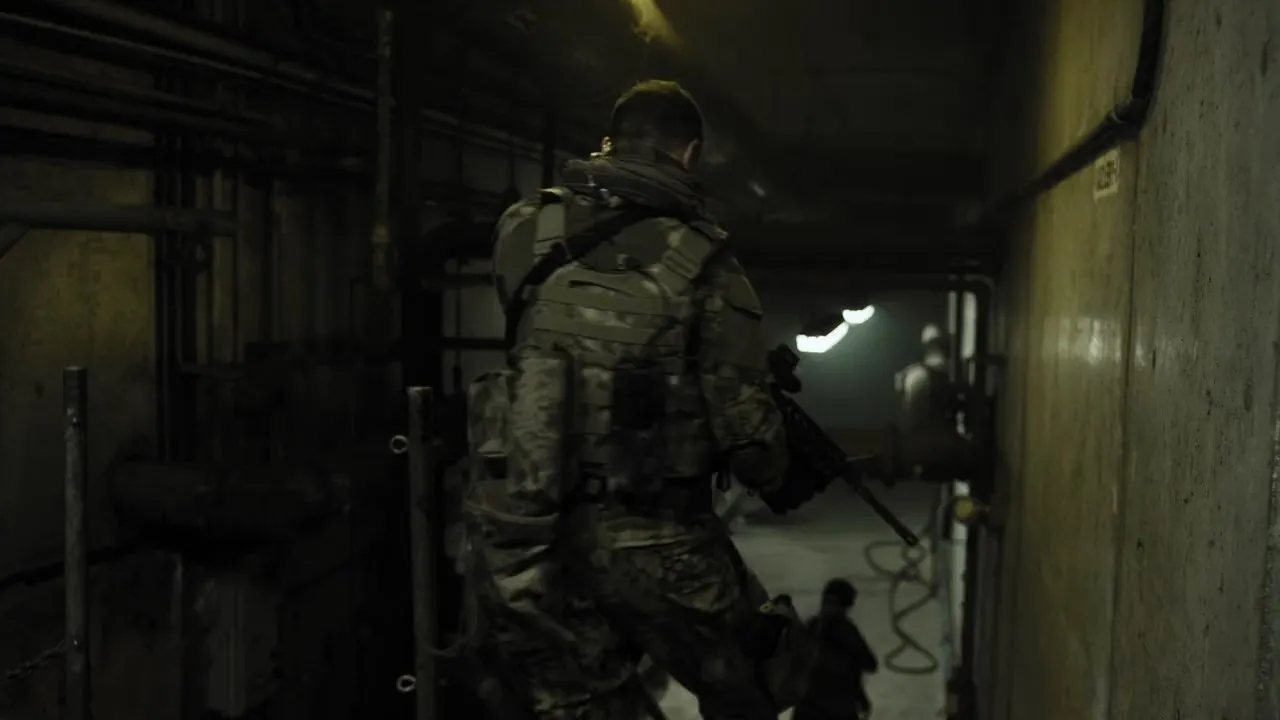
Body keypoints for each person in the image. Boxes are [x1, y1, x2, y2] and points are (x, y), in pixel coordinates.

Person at [481, 79, 794, 720]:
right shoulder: (708, 265)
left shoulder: (523, 228)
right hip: (658, 542)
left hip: (530, 542)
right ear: (690, 154)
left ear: (611, 141)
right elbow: (750, 443)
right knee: (766, 674)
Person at [793, 579, 879, 720]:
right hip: (837, 709)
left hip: (809, 708)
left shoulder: (811, 627)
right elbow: (868, 664)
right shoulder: (845, 630)